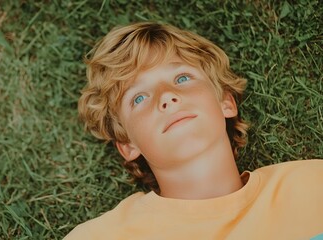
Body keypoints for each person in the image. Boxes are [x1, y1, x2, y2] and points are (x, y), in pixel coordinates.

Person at [64, 22, 323, 239]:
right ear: (128, 145)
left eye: (182, 78)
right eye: (139, 98)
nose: (166, 96)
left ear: (226, 102)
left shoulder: (313, 185)